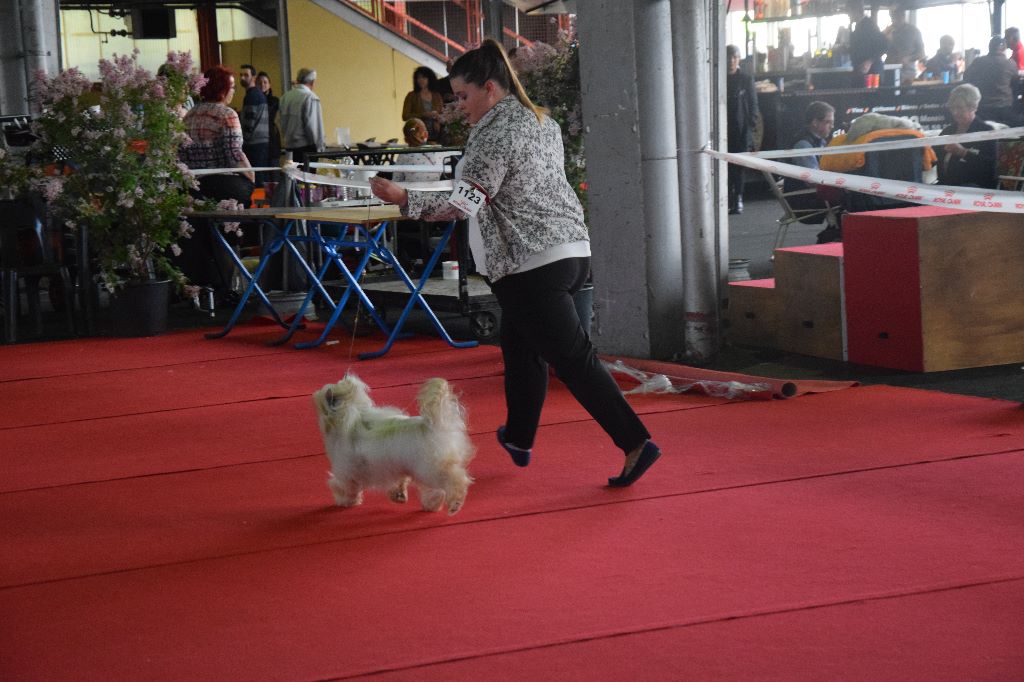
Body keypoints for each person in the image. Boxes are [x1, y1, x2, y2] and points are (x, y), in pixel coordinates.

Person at [368, 39, 662, 487]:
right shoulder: (541, 120)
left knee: (573, 359)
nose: (458, 106)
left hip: (530, 263)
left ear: (489, 88)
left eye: (463, 96)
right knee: (522, 347)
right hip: (570, 252)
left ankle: (636, 442)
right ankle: (519, 438)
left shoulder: (493, 133)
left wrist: (405, 199)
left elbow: (464, 204)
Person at [178, 65, 254, 297]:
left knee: (201, 236)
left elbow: (182, 155)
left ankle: (205, 287)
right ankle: (230, 286)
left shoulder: (189, 115)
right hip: (225, 185)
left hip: (196, 186)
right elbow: (233, 153)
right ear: (221, 90)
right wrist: (251, 175)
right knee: (230, 234)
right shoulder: (227, 115)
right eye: (231, 87)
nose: (233, 92)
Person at [937, 84, 997, 189]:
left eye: (959, 108)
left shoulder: (986, 131)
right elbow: (934, 156)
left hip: (974, 188)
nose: (955, 112)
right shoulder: (948, 131)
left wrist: (963, 152)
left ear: (973, 107)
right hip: (946, 187)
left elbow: (989, 168)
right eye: (952, 108)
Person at [726, 44, 759, 215]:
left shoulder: (746, 79)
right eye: (729, 57)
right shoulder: (718, 78)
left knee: (738, 166)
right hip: (724, 129)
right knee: (725, 165)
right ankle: (729, 197)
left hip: (741, 129)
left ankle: (737, 197)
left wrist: (751, 126)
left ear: (738, 59)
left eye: (734, 57)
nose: (731, 61)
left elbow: (753, 104)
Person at [964, 35, 1021, 126]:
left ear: (989, 47)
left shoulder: (978, 62)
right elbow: (1016, 86)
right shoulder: (1010, 64)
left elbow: (966, 78)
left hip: (982, 109)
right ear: (1004, 48)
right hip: (1005, 108)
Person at [279, 67, 325, 163]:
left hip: (289, 147)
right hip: (306, 148)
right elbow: (313, 127)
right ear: (312, 82)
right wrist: (319, 147)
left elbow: (281, 122)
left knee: (294, 176)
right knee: (308, 177)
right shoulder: (310, 97)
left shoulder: (285, 97)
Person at [238, 64, 269, 183]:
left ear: (254, 78)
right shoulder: (257, 94)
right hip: (260, 143)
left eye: (246, 75)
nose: (242, 78)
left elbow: (248, 124)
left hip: (254, 145)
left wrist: (241, 141)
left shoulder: (252, 96)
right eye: (241, 75)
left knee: (256, 180)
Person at [883, 3, 925, 85]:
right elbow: (880, 50)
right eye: (891, 16)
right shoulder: (887, 31)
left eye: (896, 15)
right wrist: (884, 37)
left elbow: (922, 53)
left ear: (903, 15)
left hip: (907, 73)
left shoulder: (914, 31)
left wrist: (908, 58)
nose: (893, 18)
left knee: (906, 96)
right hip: (889, 71)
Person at [847, 0, 887, 87]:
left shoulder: (869, 25)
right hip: (863, 71)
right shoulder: (859, 26)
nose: (848, 14)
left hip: (872, 72)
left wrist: (869, 61)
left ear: (856, 10)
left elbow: (884, 45)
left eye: (849, 11)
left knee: (870, 98)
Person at [402, 66, 444, 142]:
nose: (420, 80)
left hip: (436, 134)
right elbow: (405, 116)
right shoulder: (411, 95)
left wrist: (438, 117)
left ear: (430, 79)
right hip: (417, 135)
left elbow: (442, 113)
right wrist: (424, 114)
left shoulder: (436, 95)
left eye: (424, 77)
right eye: (418, 78)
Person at [256, 71, 282, 167]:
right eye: (259, 82)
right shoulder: (253, 99)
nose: (262, 85)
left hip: (272, 136)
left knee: (274, 165)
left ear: (269, 85)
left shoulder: (275, 100)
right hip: (258, 137)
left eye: (265, 82)